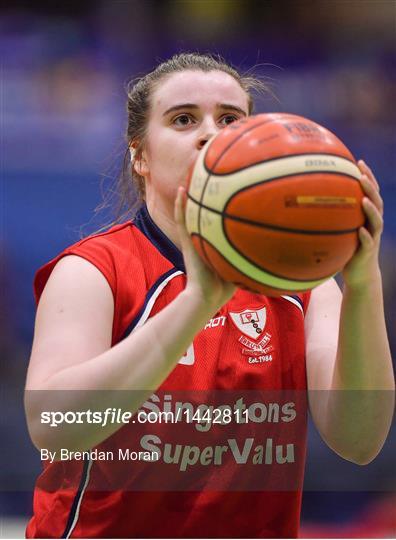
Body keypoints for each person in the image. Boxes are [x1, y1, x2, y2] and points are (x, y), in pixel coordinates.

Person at [25, 53, 394, 538]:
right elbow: (54, 428)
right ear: (140, 155)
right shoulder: (94, 270)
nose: (209, 133)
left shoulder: (303, 287)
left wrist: (364, 284)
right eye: (182, 119)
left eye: (229, 119)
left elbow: (359, 440)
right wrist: (198, 301)